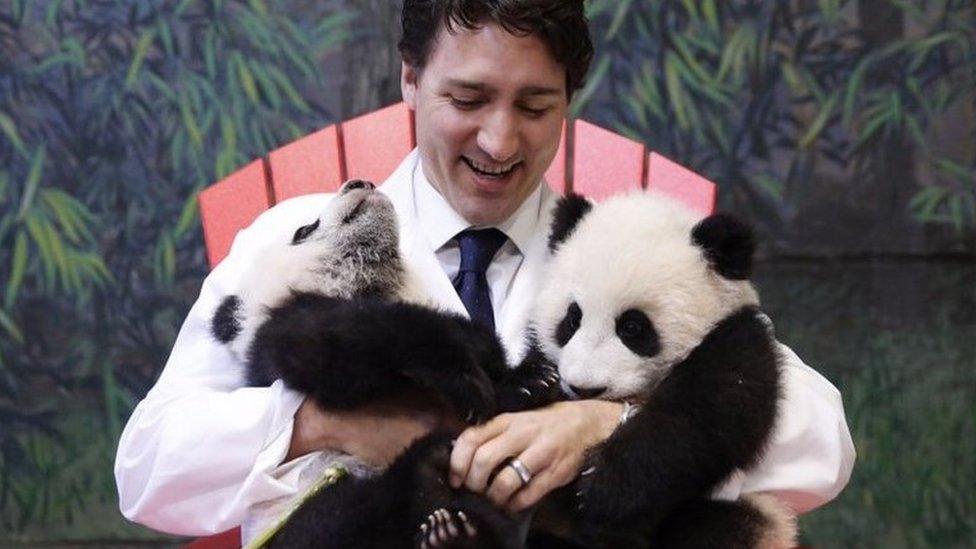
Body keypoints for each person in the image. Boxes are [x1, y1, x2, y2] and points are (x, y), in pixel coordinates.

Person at [115, 0, 855, 543]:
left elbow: (822, 439)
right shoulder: (302, 238)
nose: (500, 140)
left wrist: (612, 423)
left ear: (569, 100)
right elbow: (149, 468)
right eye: (467, 99)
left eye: (536, 105)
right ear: (409, 79)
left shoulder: (615, 249)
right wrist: (323, 423)